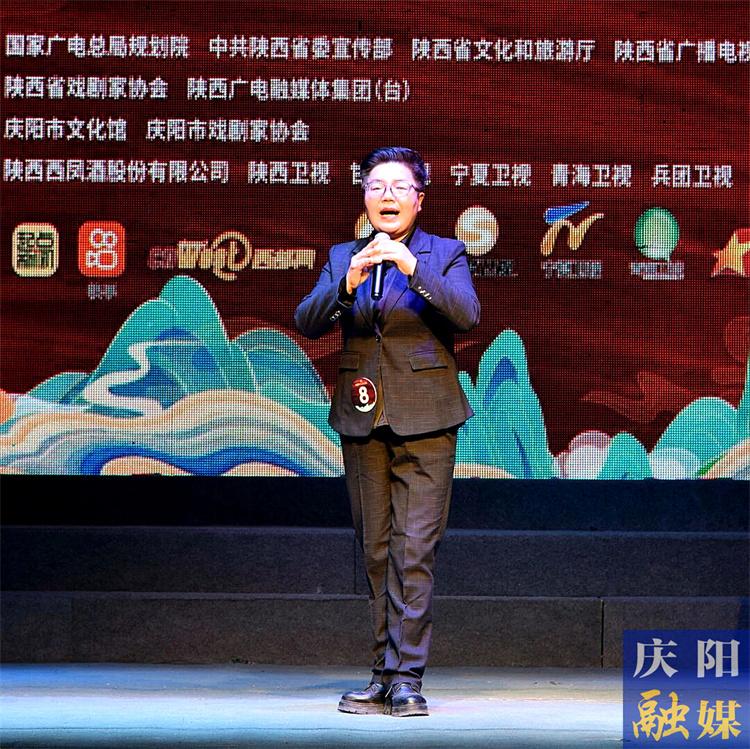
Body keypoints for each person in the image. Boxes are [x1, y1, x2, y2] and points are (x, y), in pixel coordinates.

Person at [294, 146, 479, 717]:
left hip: (427, 420)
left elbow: (466, 314)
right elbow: (307, 320)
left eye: (400, 187)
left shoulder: (444, 253)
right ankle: (381, 675)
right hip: (361, 416)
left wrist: (411, 268)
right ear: (365, 198)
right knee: (376, 551)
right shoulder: (342, 255)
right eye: (377, 187)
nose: (387, 196)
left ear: (419, 199)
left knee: (413, 550)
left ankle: (407, 679)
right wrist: (346, 283)